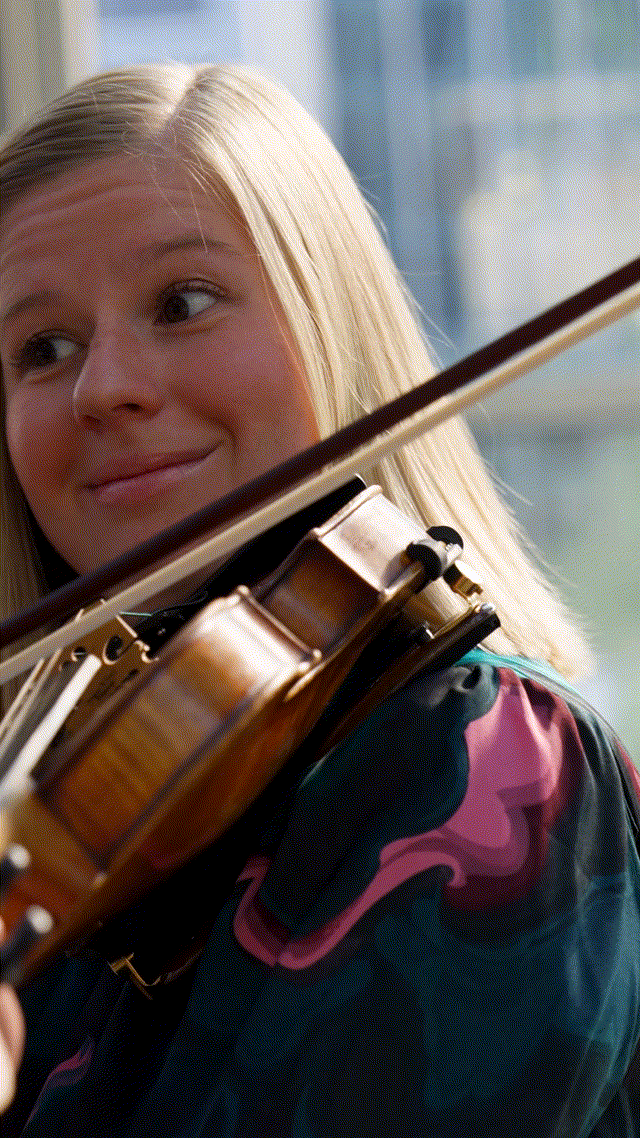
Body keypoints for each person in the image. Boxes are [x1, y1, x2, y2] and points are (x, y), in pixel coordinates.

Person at [0, 64, 638, 1138]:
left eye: (182, 301)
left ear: (327, 323)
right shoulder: (56, 804)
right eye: (41, 347)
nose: (102, 385)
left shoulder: (486, 762)